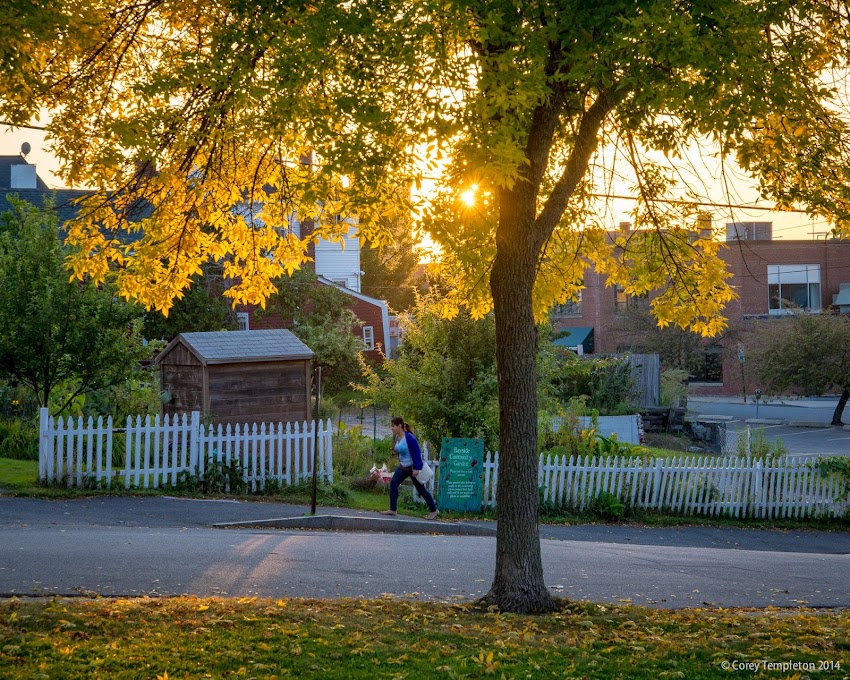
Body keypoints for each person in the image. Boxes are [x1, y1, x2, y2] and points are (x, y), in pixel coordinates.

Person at [381, 416, 439, 520]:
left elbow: (417, 453)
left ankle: (434, 510)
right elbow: (400, 451)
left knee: (420, 489)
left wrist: (417, 468)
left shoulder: (409, 438)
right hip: (403, 467)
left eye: (393, 426)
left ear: (399, 426)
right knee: (393, 483)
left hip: (412, 468)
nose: (392, 428)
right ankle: (392, 509)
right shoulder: (398, 438)